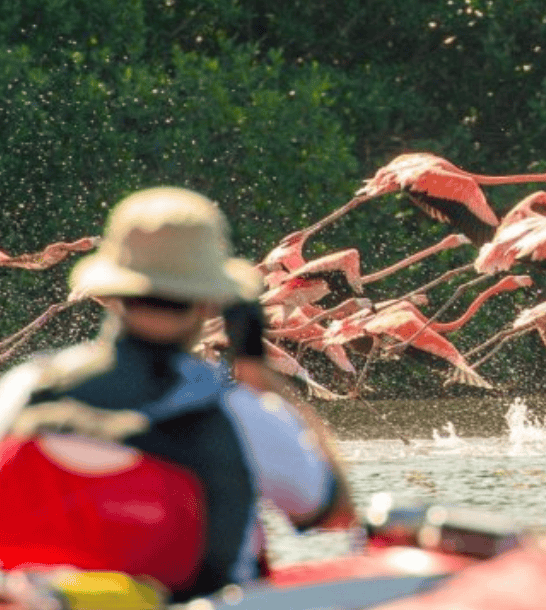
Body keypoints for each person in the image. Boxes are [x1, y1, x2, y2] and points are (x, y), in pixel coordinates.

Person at [0, 186, 357, 605]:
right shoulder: (236, 409)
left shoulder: (24, 388)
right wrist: (260, 381)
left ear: (113, 291)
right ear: (210, 301)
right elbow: (334, 514)